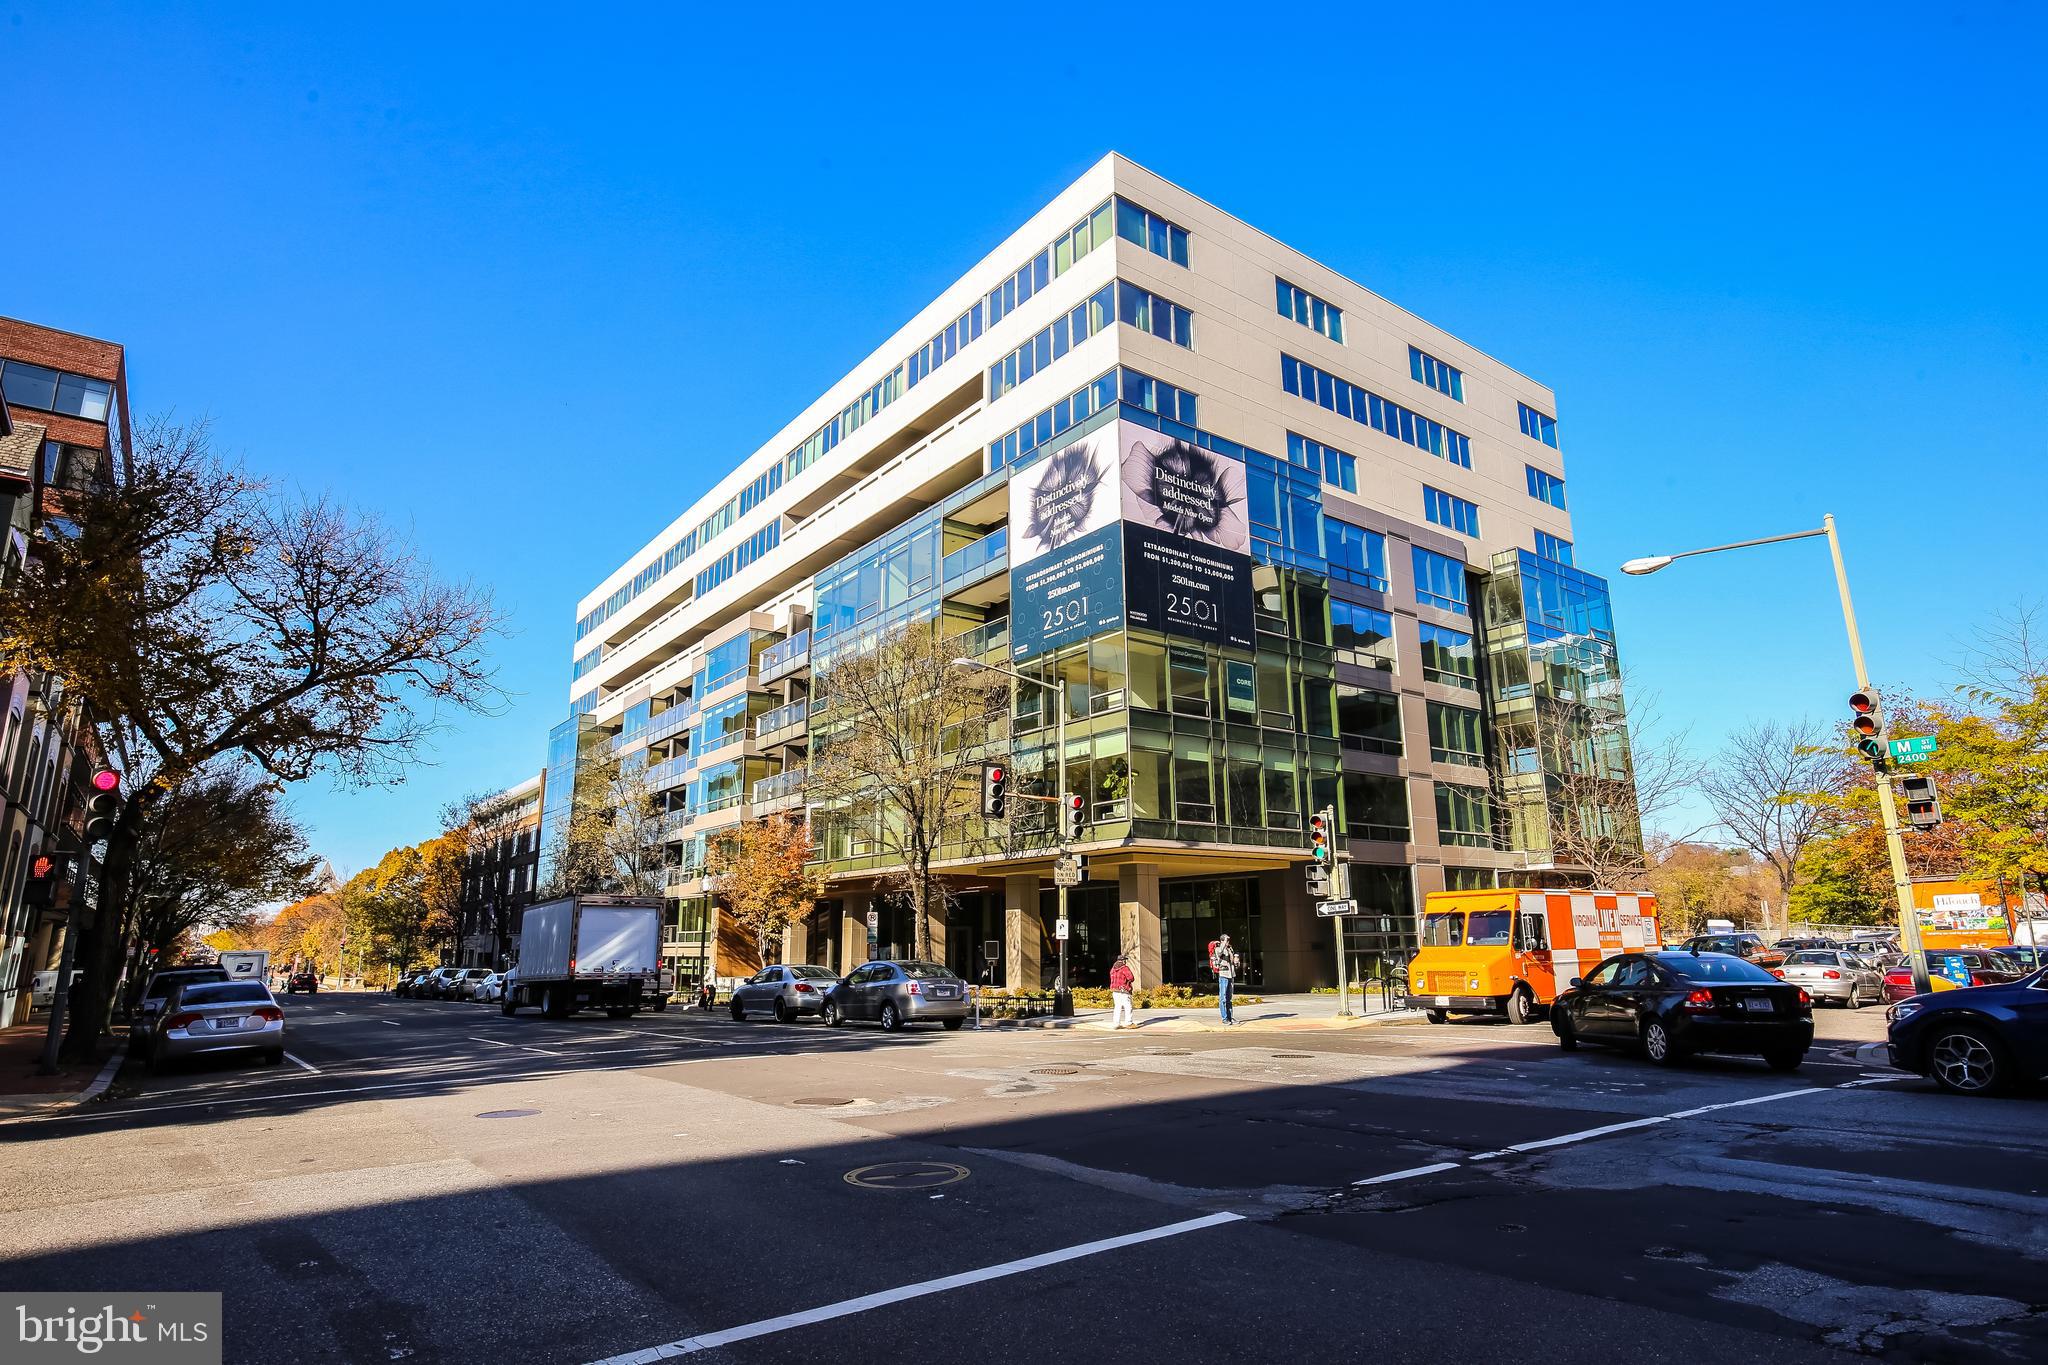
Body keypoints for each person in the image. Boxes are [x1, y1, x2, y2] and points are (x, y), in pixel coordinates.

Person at [1212, 934, 1239, 1024]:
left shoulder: (1230, 949)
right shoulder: (1218, 949)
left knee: (1229, 998)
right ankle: (1224, 1018)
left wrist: (1236, 962)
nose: (1228, 942)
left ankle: (1230, 1017)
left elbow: (1234, 962)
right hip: (1223, 975)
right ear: (1222, 941)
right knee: (1223, 998)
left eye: (1228, 940)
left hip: (1231, 975)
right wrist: (1223, 944)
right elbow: (1219, 953)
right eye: (1226, 940)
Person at [1108, 953, 1136, 1030]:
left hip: (1115, 990)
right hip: (1124, 990)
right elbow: (1131, 978)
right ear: (1123, 961)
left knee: (1117, 1007)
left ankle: (1116, 1024)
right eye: (1125, 960)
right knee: (1128, 1007)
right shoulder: (1124, 968)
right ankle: (1129, 1023)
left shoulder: (1113, 969)